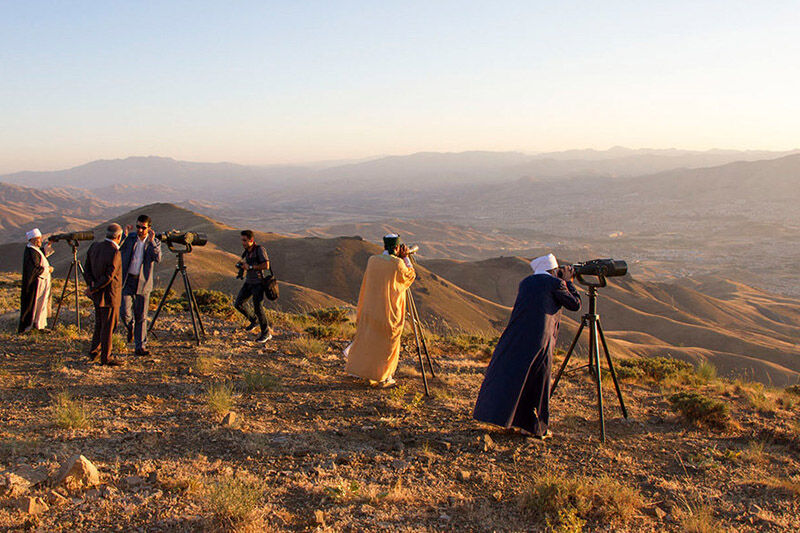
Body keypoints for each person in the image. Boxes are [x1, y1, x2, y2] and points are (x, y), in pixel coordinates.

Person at [473, 253, 581, 440]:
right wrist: (569, 281)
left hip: (518, 336)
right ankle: (533, 427)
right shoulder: (555, 284)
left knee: (518, 378)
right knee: (539, 380)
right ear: (553, 271)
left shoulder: (526, 283)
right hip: (540, 339)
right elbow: (575, 304)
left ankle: (509, 419)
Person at [344, 234, 416, 388]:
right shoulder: (398, 264)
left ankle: (362, 371)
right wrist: (406, 258)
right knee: (386, 345)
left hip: (371, 308)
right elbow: (410, 276)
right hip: (389, 312)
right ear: (397, 248)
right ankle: (384, 376)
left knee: (369, 341)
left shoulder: (372, 261)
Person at [119, 214, 162, 356]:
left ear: (149, 228)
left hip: (143, 283)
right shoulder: (130, 238)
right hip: (127, 280)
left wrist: (152, 242)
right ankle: (130, 326)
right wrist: (123, 236)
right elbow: (117, 249)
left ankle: (140, 346)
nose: (140, 230)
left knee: (141, 316)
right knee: (124, 312)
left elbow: (158, 258)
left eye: (143, 228)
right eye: (138, 227)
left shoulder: (153, 242)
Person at [83, 224, 124, 366]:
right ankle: (106, 357)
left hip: (97, 294)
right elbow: (109, 276)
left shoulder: (95, 247)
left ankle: (94, 351)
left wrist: (91, 286)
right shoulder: (115, 253)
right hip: (110, 295)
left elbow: (86, 268)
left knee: (100, 323)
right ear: (119, 236)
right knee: (108, 326)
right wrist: (94, 287)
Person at [233, 230, 272, 343]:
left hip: (258, 283)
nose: (243, 242)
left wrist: (250, 267)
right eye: (242, 240)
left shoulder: (259, 249)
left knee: (258, 308)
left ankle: (266, 333)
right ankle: (254, 321)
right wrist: (241, 266)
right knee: (238, 304)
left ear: (251, 240)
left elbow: (266, 265)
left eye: (245, 240)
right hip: (248, 282)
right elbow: (245, 264)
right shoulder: (247, 252)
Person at [18, 228, 55, 333]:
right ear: (33, 240)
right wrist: (48, 269)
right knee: (34, 305)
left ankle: (39, 325)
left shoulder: (34, 249)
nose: (40, 241)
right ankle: (30, 327)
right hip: (36, 284)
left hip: (41, 283)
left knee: (40, 305)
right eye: (39, 239)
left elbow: (41, 255)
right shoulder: (31, 251)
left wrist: (49, 245)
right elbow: (34, 269)